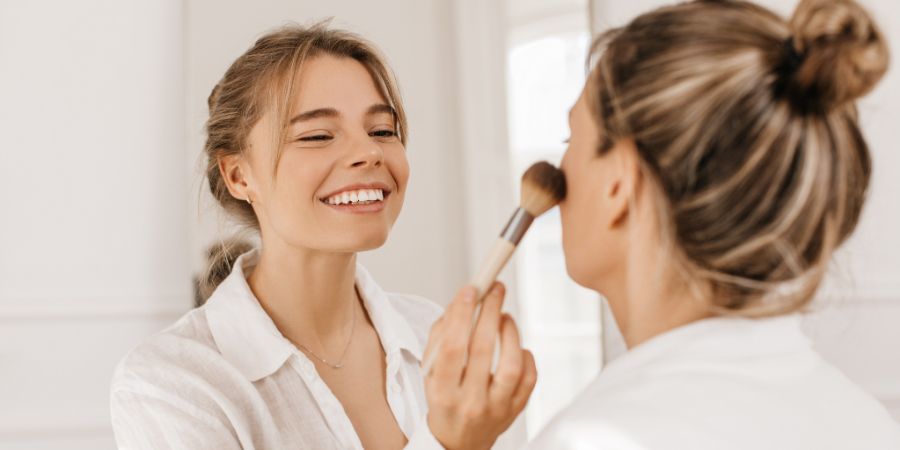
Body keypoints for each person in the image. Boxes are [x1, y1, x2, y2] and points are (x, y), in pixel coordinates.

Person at [425, 0, 900, 448]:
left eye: (573, 137)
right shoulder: (869, 423)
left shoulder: (597, 438)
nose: (561, 164)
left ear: (619, 182)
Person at [109, 23, 534, 450]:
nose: (369, 152)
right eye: (317, 136)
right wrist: (450, 442)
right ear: (238, 175)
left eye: (383, 131)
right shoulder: (172, 383)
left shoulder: (429, 335)